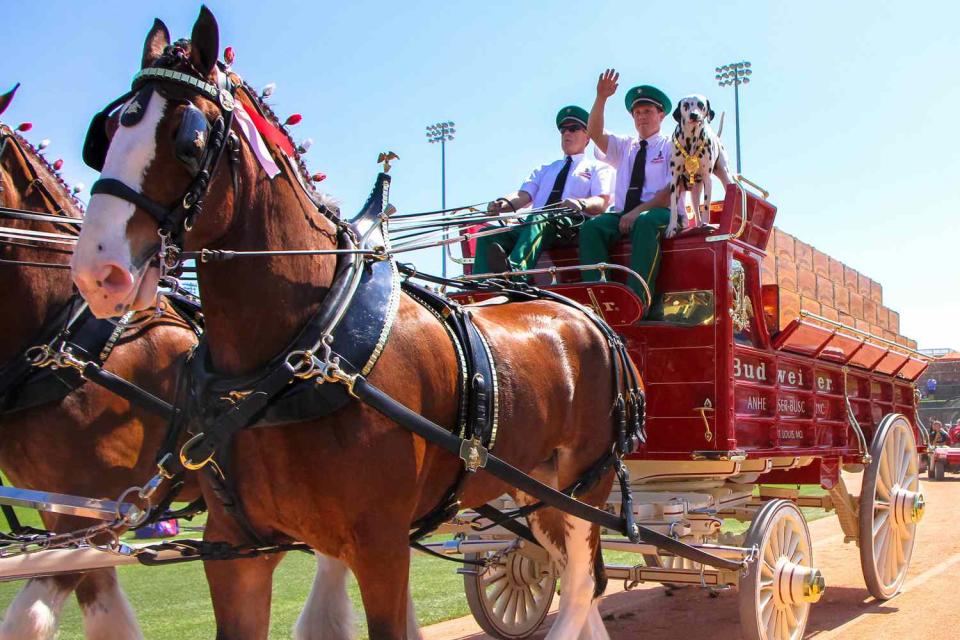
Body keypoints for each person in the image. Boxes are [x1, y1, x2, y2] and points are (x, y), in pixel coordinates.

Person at [473, 105, 613, 274]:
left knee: (539, 217)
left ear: (588, 137)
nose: (567, 133)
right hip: (534, 225)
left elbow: (602, 201)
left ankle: (516, 272)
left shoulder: (598, 167)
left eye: (573, 129)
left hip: (570, 226)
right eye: (563, 130)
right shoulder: (545, 169)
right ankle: (481, 283)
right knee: (487, 234)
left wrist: (581, 203)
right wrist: (502, 204)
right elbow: (523, 195)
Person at [579, 69, 673, 306]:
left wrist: (636, 212)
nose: (642, 117)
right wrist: (601, 97)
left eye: (648, 111)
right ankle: (602, 300)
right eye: (637, 112)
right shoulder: (625, 146)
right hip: (624, 214)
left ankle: (637, 301)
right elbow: (594, 133)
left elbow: (669, 194)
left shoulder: (671, 146)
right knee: (591, 228)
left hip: (662, 214)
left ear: (661, 115)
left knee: (646, 222)